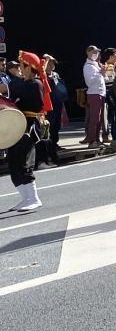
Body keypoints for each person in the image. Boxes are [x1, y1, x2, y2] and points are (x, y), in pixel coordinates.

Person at [5, 51, 52, 212]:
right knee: (13, 161)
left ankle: (33, 198)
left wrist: (17, 100)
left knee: (23, 161)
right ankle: (26, 198)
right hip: (17, 124)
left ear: (28, 68)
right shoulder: (18, 83)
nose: (19, 69)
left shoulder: (35, 84)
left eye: (22, 65)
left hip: (29, 126)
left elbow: (36, 105)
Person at [82, 44, 106, 150]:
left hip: (100, 93)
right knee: (94, 118)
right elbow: (90, 81)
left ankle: (97, 139)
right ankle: (92, 140)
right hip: (94, 94)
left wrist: (103, 73)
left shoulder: (96, 65)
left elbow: (103, 80)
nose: (96, 54)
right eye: (94, 52)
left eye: (97, 52)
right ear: (88, 53)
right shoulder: (88, 66)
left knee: (100, 119)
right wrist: (100, 73)